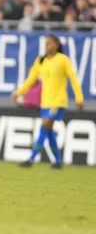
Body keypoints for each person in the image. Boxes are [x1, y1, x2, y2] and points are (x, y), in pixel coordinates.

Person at [12, 35, 84, 169]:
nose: (47, 46)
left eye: (50, 43)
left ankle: (31, 158)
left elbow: (73, 79)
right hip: (45, 102)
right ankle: (58, 161)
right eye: (45, 43)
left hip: (58, 101)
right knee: (49, 131)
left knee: (44, 125)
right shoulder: (41, 61)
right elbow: (31, 79)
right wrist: (18, 93)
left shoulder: (63, 60)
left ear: (56, 45)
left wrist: (79, 98)